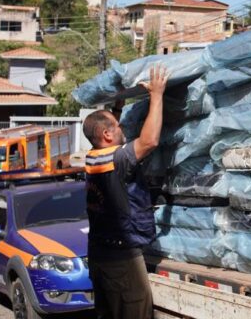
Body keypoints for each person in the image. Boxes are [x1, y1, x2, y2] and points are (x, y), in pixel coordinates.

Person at [82, 64, 169, 319]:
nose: (122, 128)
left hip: (100, 253)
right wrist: (157, 94)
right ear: (107, 135)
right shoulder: (117, 159)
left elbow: (110, 129)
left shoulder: (92, 158)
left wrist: (117, 104)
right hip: (121, 257)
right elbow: (150, 140)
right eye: (117, 127)